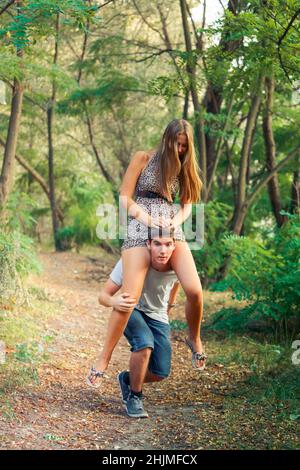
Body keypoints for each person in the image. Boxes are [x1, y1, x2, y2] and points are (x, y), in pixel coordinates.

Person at [87, 119, 205, 384]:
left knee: (195, 290)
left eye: (185, 146)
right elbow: (125, 198)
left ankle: (194, 336)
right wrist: (148, 220)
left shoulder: (185, 166)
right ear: (166, 139)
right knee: (130, 296)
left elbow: (187, 205)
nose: (180, 150)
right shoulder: (143, 158)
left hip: (170, 226)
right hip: (141, 224)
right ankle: (104, 358)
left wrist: (175, 222)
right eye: (177, 144)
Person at [89, 229, 207, 418]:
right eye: (158, 244)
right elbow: (103, 296)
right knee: (144, 344)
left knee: (161, 371)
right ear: (148, 244)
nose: (163, 250)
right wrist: (114, 302)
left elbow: (176, 284)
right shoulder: (131, 260)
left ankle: (127, 379)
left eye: (168, 244)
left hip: (158, 315)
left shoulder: (178, 265)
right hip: (132, 310)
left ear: (174, 246)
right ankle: (135, 397)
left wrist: (169, 306)